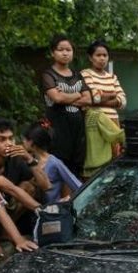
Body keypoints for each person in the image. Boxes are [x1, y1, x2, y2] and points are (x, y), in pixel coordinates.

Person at [41, 35, 98, 177]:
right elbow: (56, 98)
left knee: (76, 167)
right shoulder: (48, 75)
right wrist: (77, 95)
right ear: (53, 52)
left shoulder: (77, 75)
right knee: (59, 167)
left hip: (78, 131)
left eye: (69, 50)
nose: (65, 53)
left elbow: (89, 99)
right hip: (58, 131)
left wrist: (66, 97)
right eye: (61, 50)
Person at [0, 118, 48, 232]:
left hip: (8, 211)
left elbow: (46, 186)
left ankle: (7, 232)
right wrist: (42, 210)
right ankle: (3, 233)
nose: (9, 143)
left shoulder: (15, 159)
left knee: (28, 186)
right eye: (2, 140)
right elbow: (11, 189)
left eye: (11, 138)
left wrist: (30, 159)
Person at [80, 40, 127, 157]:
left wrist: (100, 98)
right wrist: (112, 95)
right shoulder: (86, 74)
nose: (102, 58)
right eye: (98, 55)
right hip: (96, 123)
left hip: (114, 123)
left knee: (114, 156)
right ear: (90, 58)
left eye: (105, 55)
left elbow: (123, 101)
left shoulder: (112, 77)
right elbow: (92, 97)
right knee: (98, 157)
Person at [23, 122, 82, 203]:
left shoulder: (54, 162)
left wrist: (66, 200)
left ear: (31, 142)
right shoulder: (28, 160)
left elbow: (75, 184)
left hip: (52, 209)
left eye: (25, 139)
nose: (23, 142)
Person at [83, 104, 125, 179]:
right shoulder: (98, 116)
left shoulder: (76, 116)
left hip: (83, 173)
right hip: (102, 172)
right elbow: (118, 135)